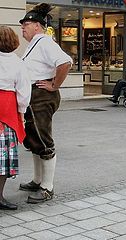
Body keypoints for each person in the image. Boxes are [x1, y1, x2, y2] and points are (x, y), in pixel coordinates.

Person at [19, 3, 73, 203]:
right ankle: (37, 179)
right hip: (34, 96)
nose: (23, 27)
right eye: (23, 24)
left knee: (43, 140)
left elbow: (65, 62)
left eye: (27, 23)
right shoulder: (35, 43)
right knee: (34, 140)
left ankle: (47, 187)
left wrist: (54, 85)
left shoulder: (44, 42)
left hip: (41, 96)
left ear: (38, 26)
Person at [0, 26, 31, 210]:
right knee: (2, 157)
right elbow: (24, 93)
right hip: (7, 109)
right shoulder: (18, 63)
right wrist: (22, 112)